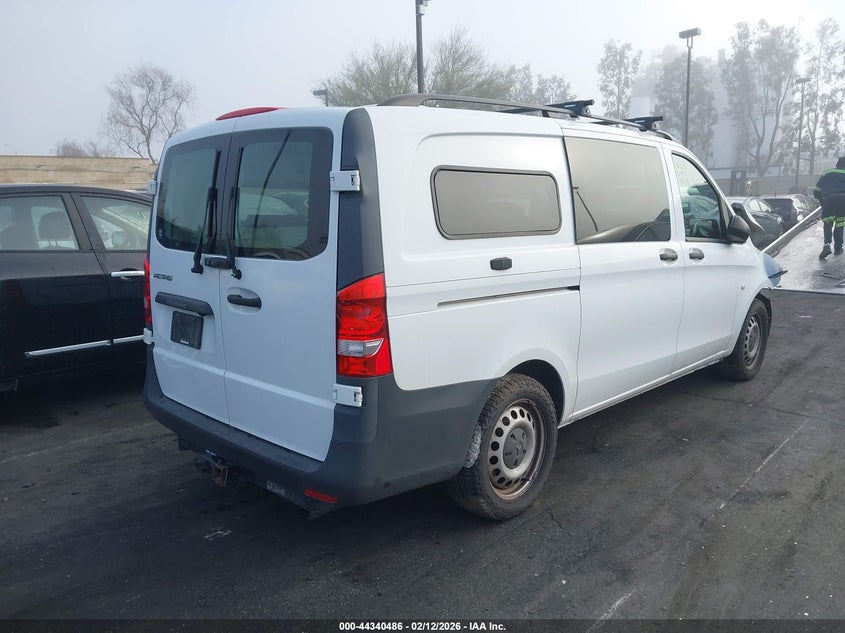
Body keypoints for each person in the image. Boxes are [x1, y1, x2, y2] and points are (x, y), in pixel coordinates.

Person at [814, 156, 845, 259]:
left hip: (829, 199)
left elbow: (816, 190)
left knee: (828, 222)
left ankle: (827, 245)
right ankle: (838, 248)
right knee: (840, 223)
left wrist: (822, 201)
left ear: (837, 164)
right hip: (843, 200)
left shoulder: (827, 173)